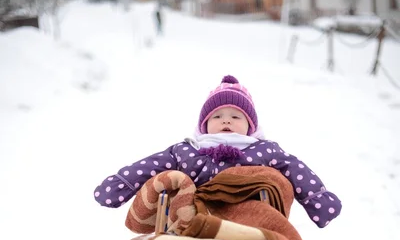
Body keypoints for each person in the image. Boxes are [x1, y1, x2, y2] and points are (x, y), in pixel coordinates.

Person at [93, 75, 342, 228]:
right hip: (195, 215)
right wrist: (122, 183)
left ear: (250, 126)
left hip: (248, 216)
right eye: (218, 116)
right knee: (173, 184)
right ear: (204, 124)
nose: (226, 121)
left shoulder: (263, 149)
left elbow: (295, 169)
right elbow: (152, 165)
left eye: (235, 116)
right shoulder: (188, 150)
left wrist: (316, 198)